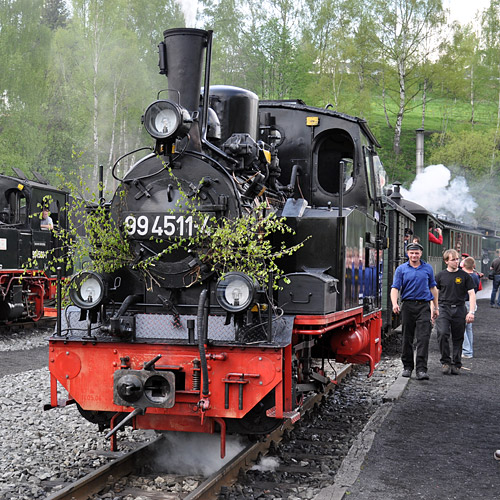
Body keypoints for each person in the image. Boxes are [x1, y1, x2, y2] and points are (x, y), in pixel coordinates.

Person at [391, 242, 439, 380]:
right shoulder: (401, 269)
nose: (414, 255)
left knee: (423, 338)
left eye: (416, 253)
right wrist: (395, 303)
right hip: (407, 306)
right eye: (411, 253)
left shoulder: (427, 268)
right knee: (407, 337)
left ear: (421, 254)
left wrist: (435, 307)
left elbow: (433, 288)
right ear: (408, 254)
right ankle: (407, 367)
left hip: (424, 306)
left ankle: (421, 370)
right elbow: (395, 288)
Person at [435, 249, 476, 375]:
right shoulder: (440, 276)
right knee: (442, 333)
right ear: (446, 261)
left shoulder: (465, 276)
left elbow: (471, 293)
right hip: (443, 308)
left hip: (459, 308)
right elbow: (434, 293)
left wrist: (471, 312)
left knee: (458, 337)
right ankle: (445, 362)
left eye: (457, 259)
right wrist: (434, 308)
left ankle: (456, 363)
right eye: (453, 260)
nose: (456, 261)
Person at [462, 257, 480, 358]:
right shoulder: (476, 276)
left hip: (464, 302)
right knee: (468, 328)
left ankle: (466, 351)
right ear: (473, 265)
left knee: (462, 327)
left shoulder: (465, 276)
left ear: (463, 265)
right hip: (472, 303)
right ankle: (469, 350)